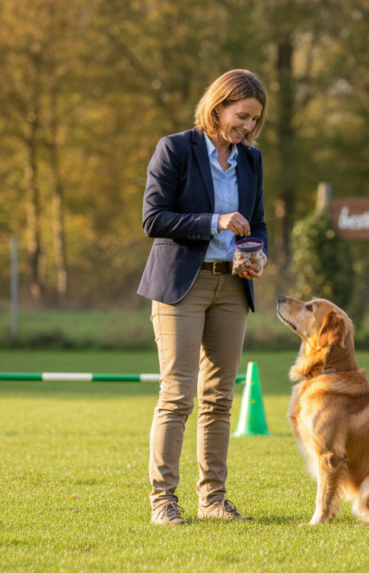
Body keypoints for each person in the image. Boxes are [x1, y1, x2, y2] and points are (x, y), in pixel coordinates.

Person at [137, 69, 269, 525]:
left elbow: (259, 222)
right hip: (182, 286)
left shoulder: (250, 161)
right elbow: (154, 218)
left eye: (254, 120)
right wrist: (216, 221)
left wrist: (259, 254)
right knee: (177, 396)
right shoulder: (174, 148)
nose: (248, 127)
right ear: (218, 107)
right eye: (242, 116)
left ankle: (213, 500)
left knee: (219, 399)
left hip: (233, 287)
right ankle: (163, 502)